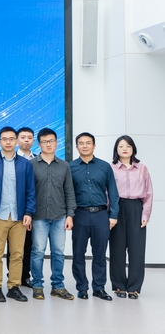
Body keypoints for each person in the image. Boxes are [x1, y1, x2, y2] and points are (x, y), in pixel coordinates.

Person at [0, 126, 35, 303]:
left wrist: (29, 212)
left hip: (19, 216)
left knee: (17, 254)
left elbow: (30, 191)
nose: (8, 142)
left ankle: (14, 287)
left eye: (12, 139)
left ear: (16, 141)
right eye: (4, 139)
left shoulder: (25, 164)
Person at [70, 132, 119, 301]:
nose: (85, 146)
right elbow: (68, 193)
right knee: (78, 254)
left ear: (94, 145)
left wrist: (113, 215)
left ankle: (99, 288)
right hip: (79, 215)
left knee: (100, 254)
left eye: (88, 143)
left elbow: (113, 192)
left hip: (101, 215)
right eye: (81, 143)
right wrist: (69, 215)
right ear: (76, 147)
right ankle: (82, 287)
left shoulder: (105, 167)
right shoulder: (70, 167)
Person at [29, 128, 76, 300]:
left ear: (57, 142)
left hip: (59, 216)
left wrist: (70, 215)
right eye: (44, 141)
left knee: (58, 252)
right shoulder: (31, 164)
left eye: (51, 141)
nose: (48, 144)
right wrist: (28, 214)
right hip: (38, 216)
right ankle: (37, 285)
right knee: (38, 252)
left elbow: (69, 191)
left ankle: (58, 286)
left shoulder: (64, 165)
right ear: (39, 144)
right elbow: (28, 192)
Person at [110, 135, 153, 299]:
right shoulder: (111, 168)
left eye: (128, 146)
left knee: (137, 249)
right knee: (117, 249)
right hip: (117, 208)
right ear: (116, 149)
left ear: (133, 148)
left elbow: (148, 193)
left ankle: (134, 287)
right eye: (121, 146)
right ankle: (119, 286)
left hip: (136, 208)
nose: (125, 149)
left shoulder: (142, 169)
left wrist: (145, 214)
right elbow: (107, 192)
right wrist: (110, 213)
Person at [12, 126, 35, 288]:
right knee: (12, 247)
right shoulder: (9, 159)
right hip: (11, 210)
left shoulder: (37, 159)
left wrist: (30, 211)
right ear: (16, 140)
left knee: (27, 245)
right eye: (23, 137)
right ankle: (12, 275)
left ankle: (25, 275)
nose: (26, 140)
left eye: (29, 137)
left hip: (29, 211)